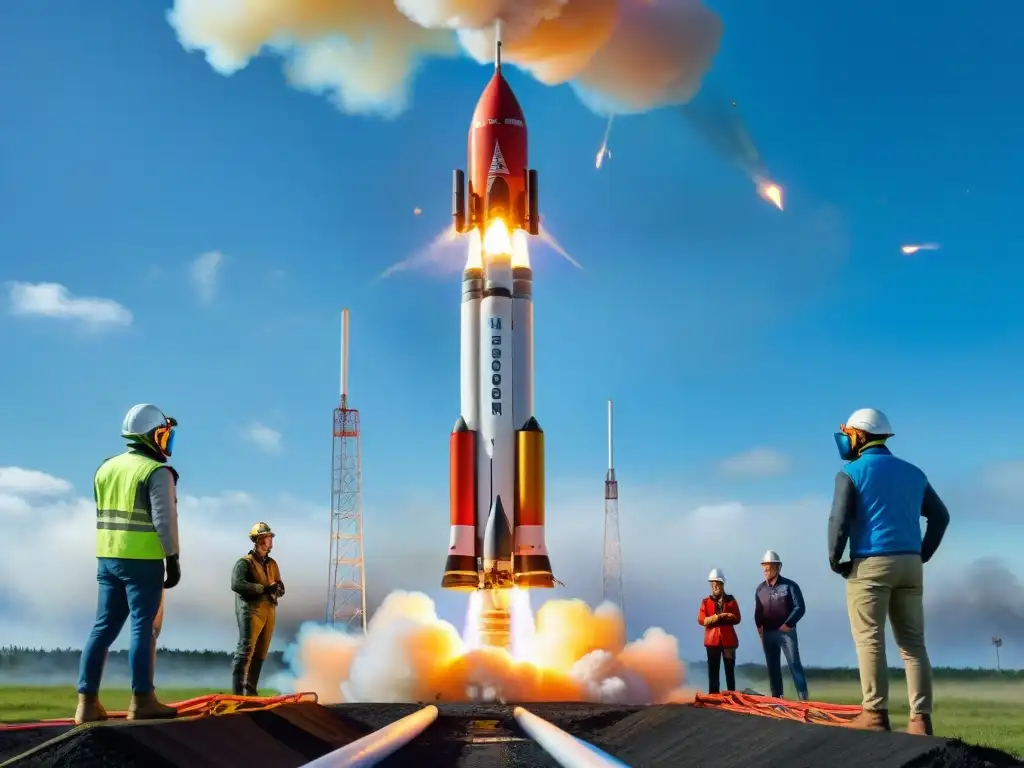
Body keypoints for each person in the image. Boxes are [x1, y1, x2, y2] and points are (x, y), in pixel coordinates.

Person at [827, 407, 950, 736]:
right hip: (910, 565)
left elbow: (839, 520)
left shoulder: (851, 472)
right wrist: (922, 554)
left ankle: (875, 714)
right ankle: (920, 720)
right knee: (913, 644)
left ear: (861, 436)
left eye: (848, 432)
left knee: (870, 640)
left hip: (870, 563)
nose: (844, 438)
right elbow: (941, 517)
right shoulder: (914, 473)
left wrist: (835, 558)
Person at [75, 404, 181, 724]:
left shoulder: (106, 468)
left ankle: (87, 703)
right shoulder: (156, 471)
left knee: (103, 627)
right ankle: (142, 700)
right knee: (143, 627)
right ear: (152, 435)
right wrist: (172, 558)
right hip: (143, 561)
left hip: (107, 558)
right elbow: (165, 520)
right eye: (163, 434)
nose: (166, 441)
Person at [231, 522, 285, 696]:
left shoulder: (272, 564)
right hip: (251, 609)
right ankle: (238, 694)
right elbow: (237, 584)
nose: (269, 541)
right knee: (246, 650)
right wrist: (262, 589)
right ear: (257, 540)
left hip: (269, 609)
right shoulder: (244, 563)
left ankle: (251, 692)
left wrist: (279, 589)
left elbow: (278, 583)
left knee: (261, 652)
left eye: (269, 538)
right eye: (265, 538)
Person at [753, 550, 809, 700]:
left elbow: (800, 607)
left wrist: (789, 623)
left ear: (778, 567)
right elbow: (758, 611)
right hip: (768, 634)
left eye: (769, 566)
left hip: (786, 633)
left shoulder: (790, 586)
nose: (765, 570)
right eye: (764, 566)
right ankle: (777, 699)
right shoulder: (760, 589)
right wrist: (759, 628)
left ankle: (804, 700)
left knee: (794, 665)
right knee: (773, 668)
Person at [698, 568, 741, 693]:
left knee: (729, 670)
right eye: (712, 583)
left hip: (729, 641)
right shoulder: (705, 602)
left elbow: (737, 618)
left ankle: (732, 695)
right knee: (713, 670)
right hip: (712, 641)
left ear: (722, 584)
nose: (714, 586)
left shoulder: (731, 600)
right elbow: (702, 620)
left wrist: (729, 616)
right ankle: (713, 696)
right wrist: (717, 617)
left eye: (717, 583)